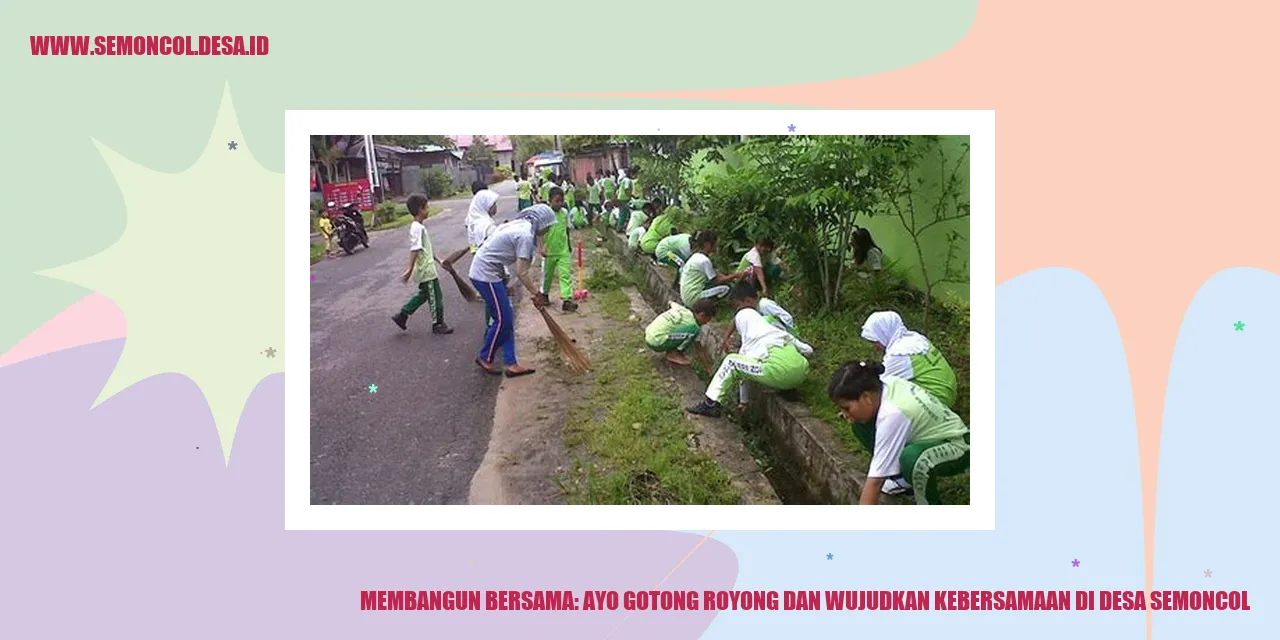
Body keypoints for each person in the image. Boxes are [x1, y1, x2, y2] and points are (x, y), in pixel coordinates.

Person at [827, 361, 970, 505]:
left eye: (847, 408)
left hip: (958, 446)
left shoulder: (893, 413)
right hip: (923, 440)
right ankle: (899, 477)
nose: (843, 414)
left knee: (912, 459)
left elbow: (875, 483)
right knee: (860, 424)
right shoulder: (884, 385)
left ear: (866, 398)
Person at [687, 284, 810, 417]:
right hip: (802, 371)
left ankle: (710, 404)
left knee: (731, 361)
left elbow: (741, 374)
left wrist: (744, 401)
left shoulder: (749, 342)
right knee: (779, 363)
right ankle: (789, 387)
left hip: (780, 373)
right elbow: (808, 350)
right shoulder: (778, 332)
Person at [469, 204, 558, 377]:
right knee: (503, 320)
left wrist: (504, 283)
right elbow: (522, 272)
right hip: (485, 275)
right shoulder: (525, 235)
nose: (547, 230)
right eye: (547, 226)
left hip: (493, 273)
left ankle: (511, 363)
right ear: (541, 223)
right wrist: (536, 293)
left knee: (506, 319)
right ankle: (485, 356)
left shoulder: (521, 225)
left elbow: (496, 252)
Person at [860, 310, 958, 408]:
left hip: (937, 400)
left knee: (882, 397)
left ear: (884, 333)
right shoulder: (915, 338)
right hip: (947, 391)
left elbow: (877, 384)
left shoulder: (899, 353)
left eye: (876, 341)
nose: (875, 348)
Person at [391, 194, 453, 334]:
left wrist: (439, 260)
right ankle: (438, 324)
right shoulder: (416, 228)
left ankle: (403, 315)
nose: (429, 209)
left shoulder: (419, 227)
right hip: (426, 270)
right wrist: (409, 269)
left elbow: (426, 248)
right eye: (427, 207)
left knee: (425, 294)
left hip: (427, 267)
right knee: (436, 297)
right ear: (420, 209)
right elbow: (415, 249)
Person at [719, 281, 813, 356]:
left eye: (738, 305)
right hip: (771, 335)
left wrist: (790, 332)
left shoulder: (765, 305)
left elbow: (787, 317)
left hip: (781, 333)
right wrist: (726, 336)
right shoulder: (753, 310)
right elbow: (735, 320)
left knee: (765, 321)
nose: (738, 309)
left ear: (748, 300)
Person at [537, 187, 578, 312]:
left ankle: (567, 300)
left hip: (563, 250)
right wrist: (541, 248)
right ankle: (544, 295)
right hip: (549, 252)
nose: (560, 204)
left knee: (565, 274)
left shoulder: (564, 213)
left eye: (562, 201)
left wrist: (569, 245)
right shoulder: (545, 214)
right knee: (547, 276)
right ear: (550, 201)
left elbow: (565, 230)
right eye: (557, 201)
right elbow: (539, 233)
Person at [679, 230, 744, 308]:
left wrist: (729, 276)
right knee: (726, 288)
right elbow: (716, 281)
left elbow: (715, 273)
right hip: (693, 298)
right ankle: (708, 306)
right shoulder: (704, 260)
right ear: (707, 244)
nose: (716, 246)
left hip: (686, 296)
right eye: (715, 244)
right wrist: (735, 276)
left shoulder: (696, 256)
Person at [645, 299, 717, 366]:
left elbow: (671, 302)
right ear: (702, 315)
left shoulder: (682, 309)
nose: (706, 323)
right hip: (656, 342)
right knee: (694, 330)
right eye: (707, 319)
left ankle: (674, 352)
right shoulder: (693, 326)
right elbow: (698, 346)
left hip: (649, 334)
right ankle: (673, 354)